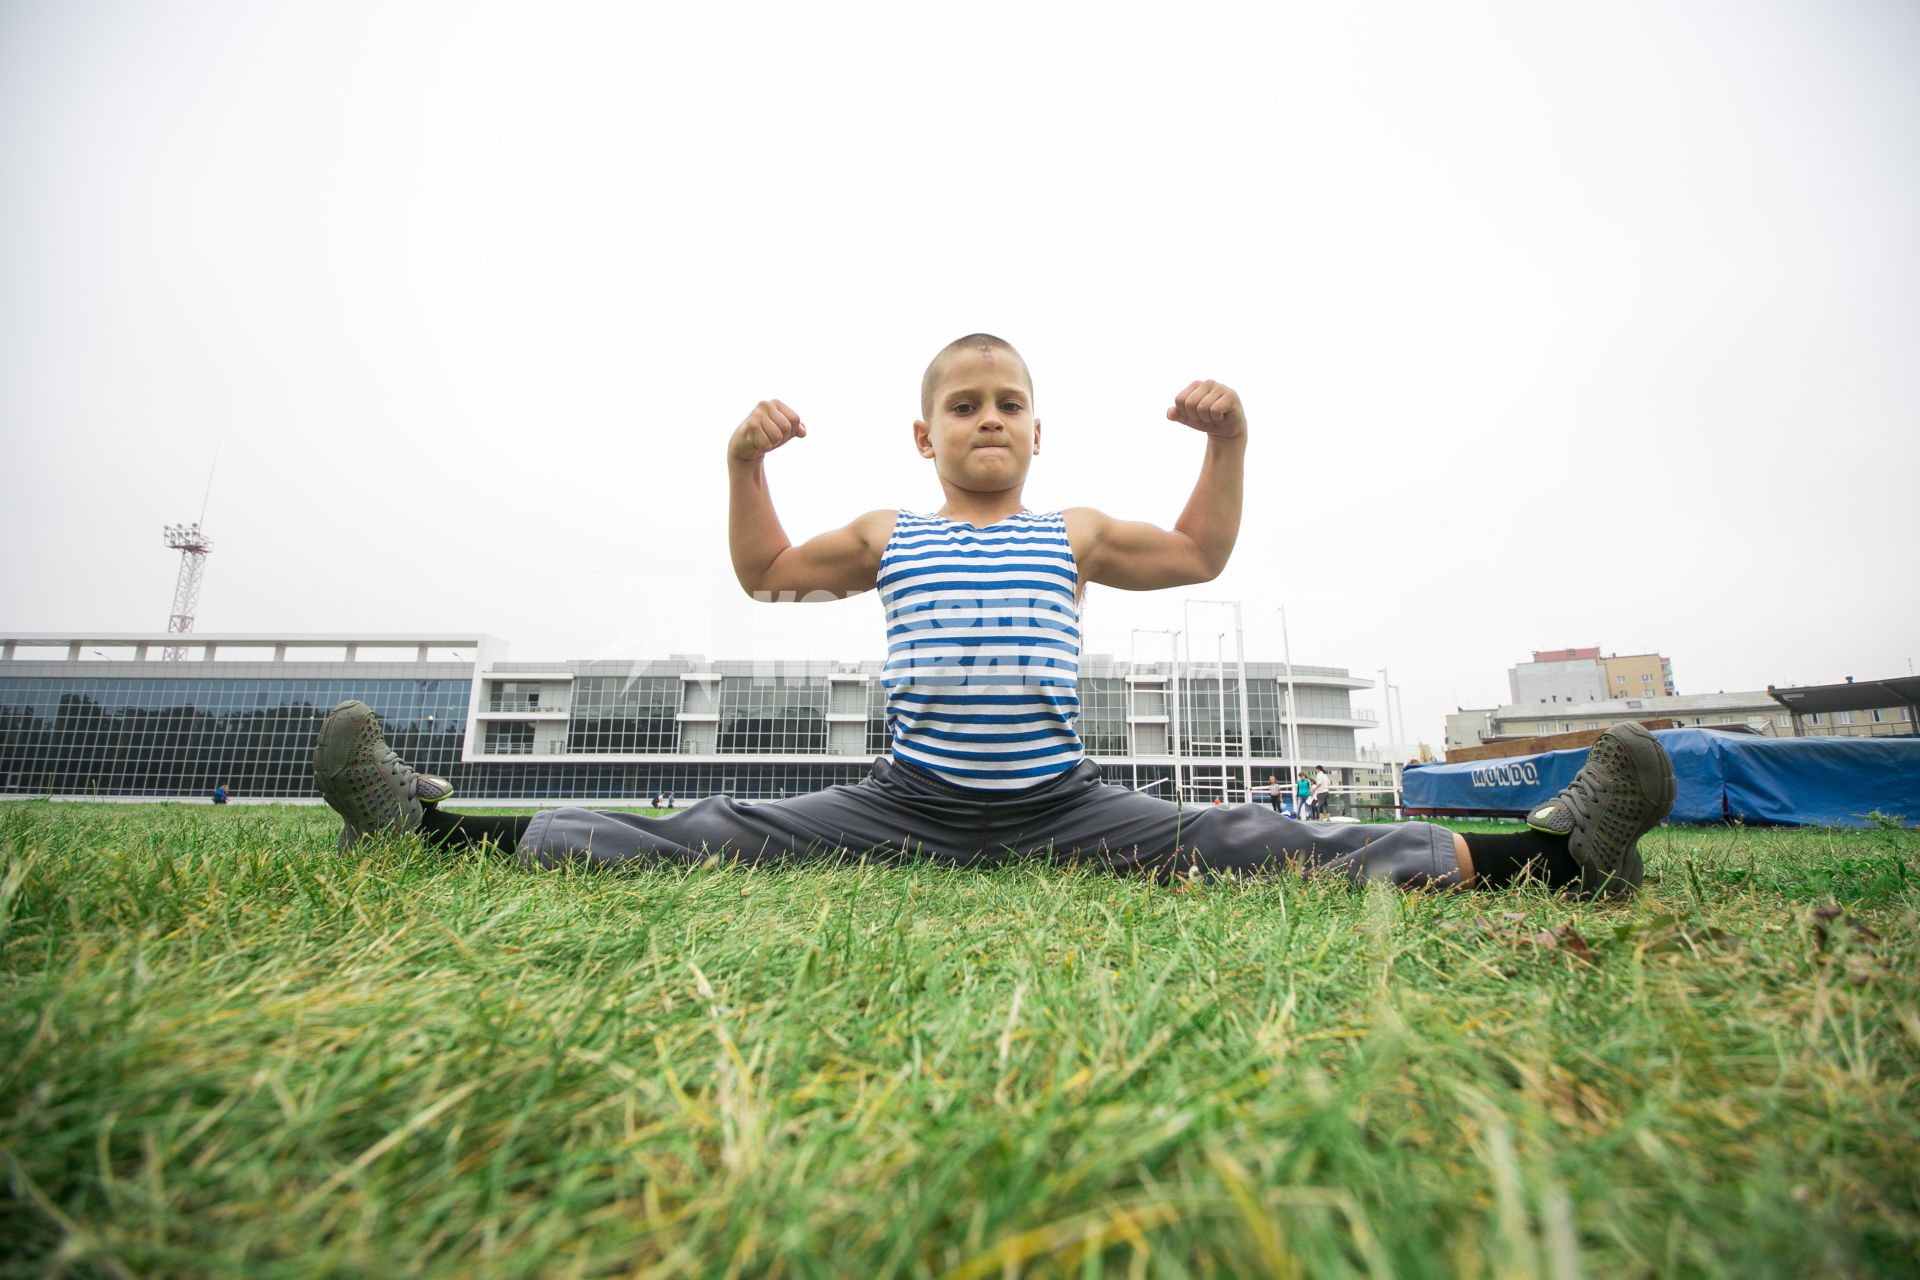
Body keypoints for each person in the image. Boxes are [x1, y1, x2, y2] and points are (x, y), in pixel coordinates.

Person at [311, 334, 1674, 897]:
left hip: (1062, 803)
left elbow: (1199, 552)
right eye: (962, 403)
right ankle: (428, 825)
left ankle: (1553, 857)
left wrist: (1232, 439)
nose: (986, 417)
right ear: (924, 433)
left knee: (1268, 838)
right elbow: (767, 576)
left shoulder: (1069, 530)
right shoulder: (885, 531)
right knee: (707, 832)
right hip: (904, 802)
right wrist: (742, 467)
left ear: (1035, 428)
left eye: (1007, 401)